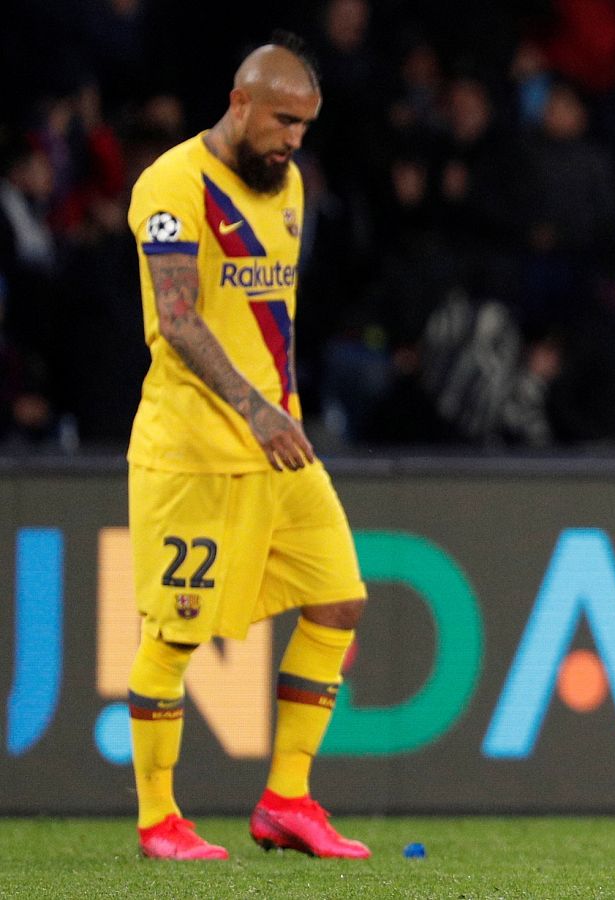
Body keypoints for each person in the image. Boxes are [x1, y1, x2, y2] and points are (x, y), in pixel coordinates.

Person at [124, 35, 370, 861]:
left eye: (305, 125)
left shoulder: (288, 184)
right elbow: (180, 316)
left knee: (339, 597)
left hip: (277, 447)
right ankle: (159, 819)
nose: (294, 140)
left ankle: (287, 801)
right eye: (283, 121)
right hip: (196, 449)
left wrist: (277, 412)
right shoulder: (171, 184)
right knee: (176, 634)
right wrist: (254, 407)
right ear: (239, 102)